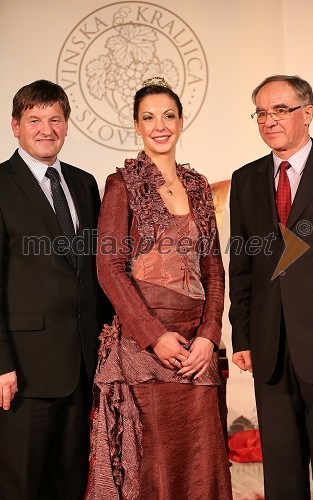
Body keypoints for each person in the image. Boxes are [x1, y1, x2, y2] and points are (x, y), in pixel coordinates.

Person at [86, 76, 232, 499]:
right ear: (136, 125)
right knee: (150, 465)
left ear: (181, 121)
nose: (159, 125)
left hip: (196, 351)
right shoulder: (122, 184)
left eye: (168, 115)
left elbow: (214, 271)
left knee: (201, 461)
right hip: (143, 348)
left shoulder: (199, 186)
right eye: (148, 117)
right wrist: (155, 337)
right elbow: (109, 268)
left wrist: (208, 338)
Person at [0, 79, 110, 500]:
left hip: (81, 368)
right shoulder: (2, 184)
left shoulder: (84, 184)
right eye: (34, 120)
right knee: (21, 486)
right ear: (15, 126)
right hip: (23, 373)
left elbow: (93, 273)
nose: (46, 129)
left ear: (66, 125)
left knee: (69, 484)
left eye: (55, 120)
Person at [229, 74, 313, 500]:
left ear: (307, 113)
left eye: (280, 110)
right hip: (271, 348)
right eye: (261, 113)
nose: (269, 120)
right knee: (282, 472)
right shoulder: (246, 178)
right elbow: (241, 265)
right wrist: (243, 334)